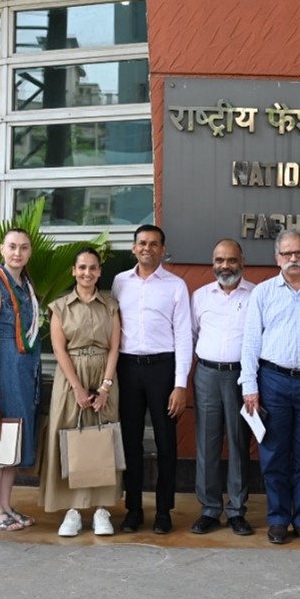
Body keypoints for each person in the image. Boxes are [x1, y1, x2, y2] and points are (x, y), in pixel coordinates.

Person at [240, 228, 300, 545]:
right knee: (273, 453)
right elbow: (250, 342)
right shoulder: (263, 293)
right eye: (287, 253)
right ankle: (279, 518)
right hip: (273, 381)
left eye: (299, 253)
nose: (293, 258)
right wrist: (249, 385)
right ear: (277, 258)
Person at [111, 224, 192, 534]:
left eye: (154, 243)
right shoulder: (120, 282)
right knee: (130, 441)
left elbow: (183, 336)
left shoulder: (175, 286)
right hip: (128, 368)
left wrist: (180, 384)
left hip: (162, 368)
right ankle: (133, 510)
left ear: (162, 250)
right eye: (142, 243)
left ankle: (163, 511)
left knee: (165, 442)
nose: (148, 248)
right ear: (134, 248)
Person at [44, 247, 123, 537]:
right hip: (71, 377)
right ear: (73, 272)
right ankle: (73, 510)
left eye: (92, 268)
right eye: (82, 268)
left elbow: (114, 347)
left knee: (104, 437)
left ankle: (102, 509)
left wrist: (105, 387)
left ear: (99, 272)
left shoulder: (110, 306)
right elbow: (58, 349)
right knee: (69, 436)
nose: (87, 273)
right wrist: (77, 388)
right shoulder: (60, 307)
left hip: (103, 374)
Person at [0, 228, 42, 532]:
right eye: (12, 246)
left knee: (14, 436)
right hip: (2, 367)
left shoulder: (26, 283)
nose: (18, 252)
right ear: (2, 249)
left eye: (24, 247)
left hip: (23, 370)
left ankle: (5, 505)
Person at [189, 239, 256, 536]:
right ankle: (209, 509)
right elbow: (192, 335)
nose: (225, 266)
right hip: (206, 374)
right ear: (213, 262)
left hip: (241, 376)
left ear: (242, 261)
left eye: (231, 260)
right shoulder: (200, 296)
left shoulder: (256, 295)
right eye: (219, 260)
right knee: (207, 443)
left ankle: (237, 510)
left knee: (240, 443)